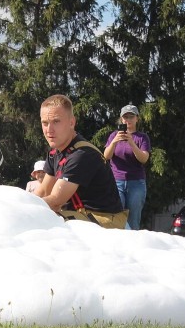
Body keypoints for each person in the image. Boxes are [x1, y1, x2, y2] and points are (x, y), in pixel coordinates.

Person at [35, 94, 125, 229]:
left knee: (44, 222)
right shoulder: (55, 153)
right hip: (81, 216)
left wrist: (23, 210)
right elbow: (42, 192)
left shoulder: (81, 154)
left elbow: (55, 201)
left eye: (56, 121)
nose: (49, 130)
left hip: (106, 222)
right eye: (45, 123)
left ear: (72, 122)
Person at [104, 104, 151, 230]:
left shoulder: (142, 137)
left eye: (131, 117)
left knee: (133, 219)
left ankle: (133, 246)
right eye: (125, 117)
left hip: (136, 183)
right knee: (116, 215)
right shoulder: (114, 135)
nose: (128, 120)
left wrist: (131, 142)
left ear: (137, 119)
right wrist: (114, 142)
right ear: (121, 119)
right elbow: (106, 156)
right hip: (116, 181)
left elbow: (144, 158)